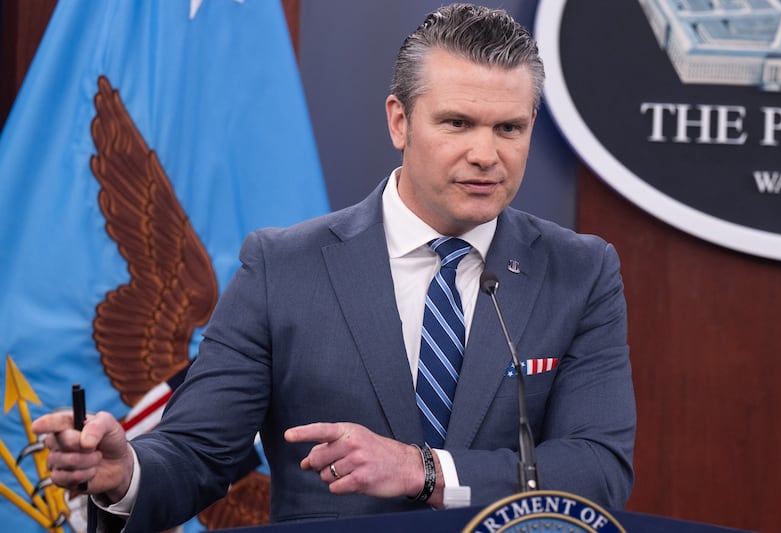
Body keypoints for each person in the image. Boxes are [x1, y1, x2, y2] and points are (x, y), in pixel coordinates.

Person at [32, 3, 635, 531]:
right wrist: (124, 473)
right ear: (399, 121)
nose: (486, 154)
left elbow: (598, 470)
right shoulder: (282, 267)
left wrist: (425, 470)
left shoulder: (579, 272)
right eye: (457, 123)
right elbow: (198, 453)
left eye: (510, 128)